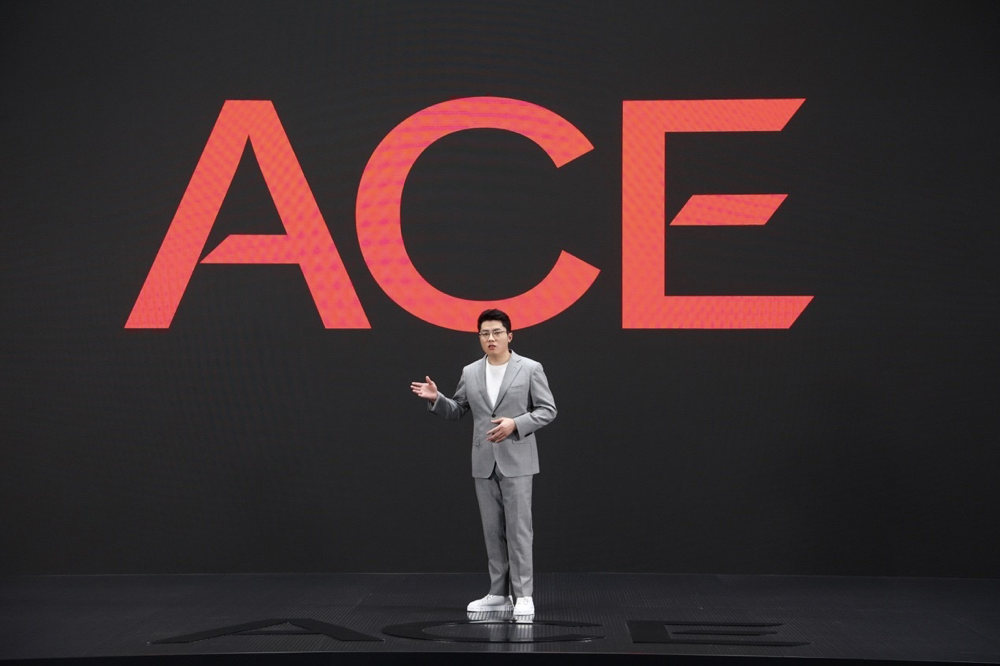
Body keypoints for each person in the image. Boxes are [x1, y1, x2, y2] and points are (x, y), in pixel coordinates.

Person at [410, 308, 556, 618]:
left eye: (497, 332)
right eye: (485, 333)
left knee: (519, 530)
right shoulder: (471, 371)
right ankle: (498, 594)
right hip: (483, 460)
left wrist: (515, 423)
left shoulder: (530, 368)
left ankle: (523, 595)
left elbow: (547, 410)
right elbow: (458, 409)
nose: (491, 338)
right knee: (492, 530)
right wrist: (437, 399)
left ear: (509, 336)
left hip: (517, 459)